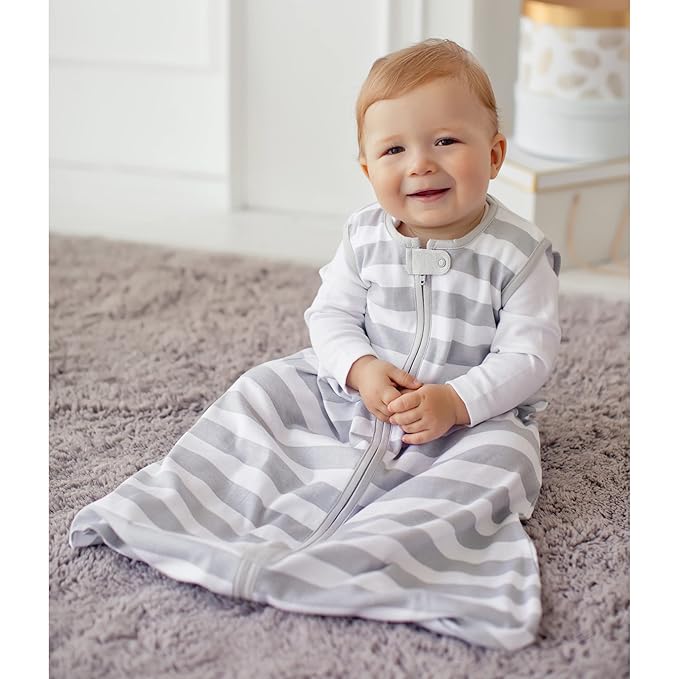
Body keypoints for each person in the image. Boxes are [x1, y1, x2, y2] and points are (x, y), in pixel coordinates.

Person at [70, 39, 561, 651]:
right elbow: (330, 315)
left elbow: (528, 356)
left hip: (464, 420)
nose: (420, 164)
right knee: (263, 389)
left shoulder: (519, 254)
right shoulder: (364, 236)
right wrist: (360, 368)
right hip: (353, 397)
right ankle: (194, 512)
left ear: (494, 154)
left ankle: (382, 556)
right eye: (394, 149)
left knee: (504, 458)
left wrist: (457, 403)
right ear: (367, 169)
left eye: (445, 141)